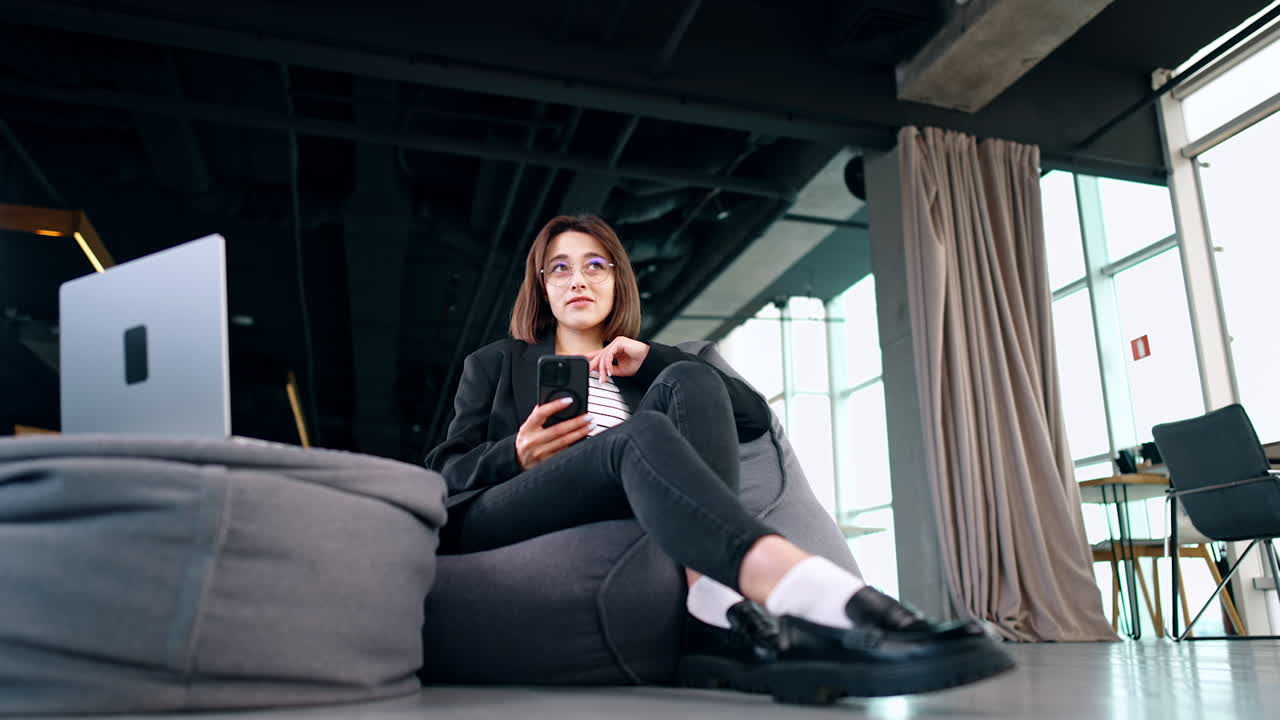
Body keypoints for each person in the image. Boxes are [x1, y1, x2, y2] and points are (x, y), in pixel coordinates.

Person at [425, 214, 1012, 704]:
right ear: (543, 288)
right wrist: (515, 452)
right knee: (641, 435)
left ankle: (712, 606)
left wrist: (652, 360)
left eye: (595, 265)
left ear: (616, 283)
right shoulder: (495, 365)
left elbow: (752, 417)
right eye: (560, 267)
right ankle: (817, 594)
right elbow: (444, 475)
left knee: (688, 375)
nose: (578, 278)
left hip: (631, 499)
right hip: (518, 502)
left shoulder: (652, 366)